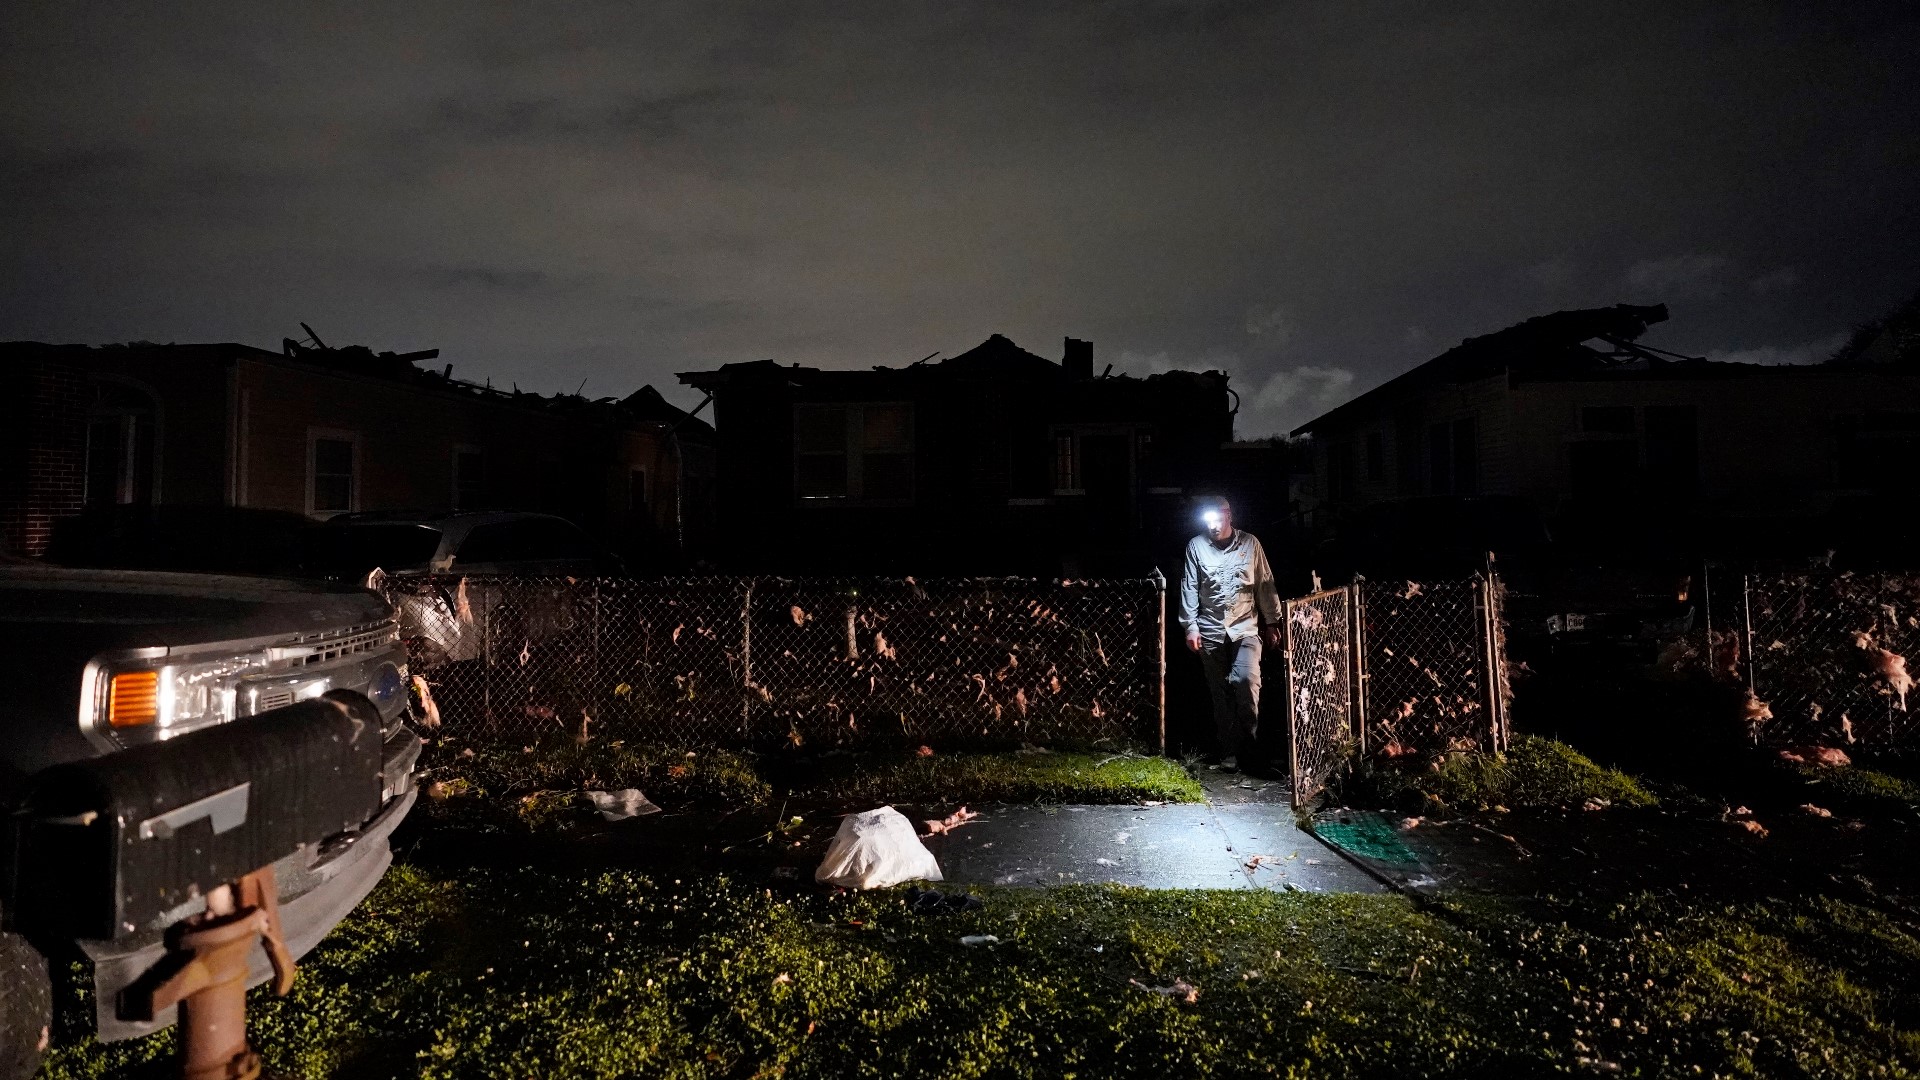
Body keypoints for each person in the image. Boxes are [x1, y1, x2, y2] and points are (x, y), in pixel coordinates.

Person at [1178, 496, 1282, 772]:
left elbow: (1264, 582)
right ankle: (1229, 752)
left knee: (1246, 681)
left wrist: (1272, 622)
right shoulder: (1197, 547)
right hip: (1211, 628)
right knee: (1220, 693)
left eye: (1217, 519)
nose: (1213, 526)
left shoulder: (1250, 544)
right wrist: (1190, 625)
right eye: (1208, 521)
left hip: (1245, 626)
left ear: (1229, 516)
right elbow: (1190, 587)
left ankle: (1250, 747)